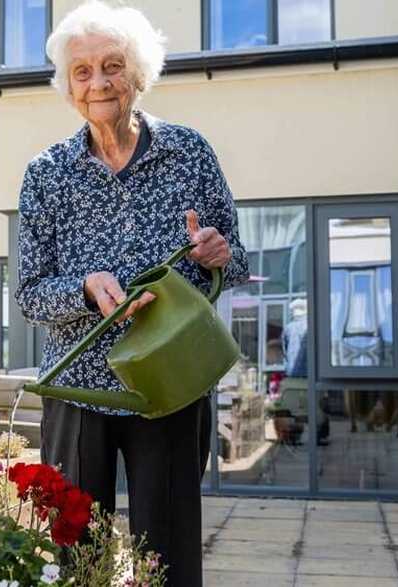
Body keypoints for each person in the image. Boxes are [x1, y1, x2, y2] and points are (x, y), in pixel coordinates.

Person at [14, 2, 248, 584]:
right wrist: (87, 291)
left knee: (168, 557)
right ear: (67, 87)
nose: (99, 82)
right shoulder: (46, 174)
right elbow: (29, 295)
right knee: (76, 558)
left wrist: (218, 255)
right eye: (83, 71)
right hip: (78, 390)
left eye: (113, 65)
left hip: (169, 386)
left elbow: (236, 260)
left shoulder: (189, 153)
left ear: (139, 74)